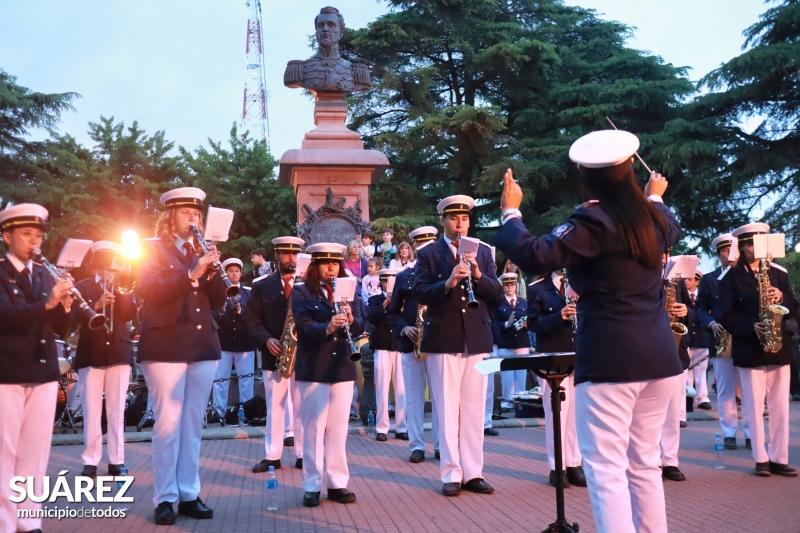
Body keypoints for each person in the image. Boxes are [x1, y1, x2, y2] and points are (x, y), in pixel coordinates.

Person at [494, 129, 683, 533]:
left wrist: (511, 211)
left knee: (606, 468)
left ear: (586, 175)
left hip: (611, 361)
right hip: (661, 359)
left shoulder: (593, 219)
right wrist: (655, 194)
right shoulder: (658, 219)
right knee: (645, 464)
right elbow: (667, 217)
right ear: (631, 169)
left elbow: (534, 253)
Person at [138, 186, 227, 525]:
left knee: (192, 424)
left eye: (197, 214)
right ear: (170, 216)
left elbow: (218, 300)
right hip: (165, 344)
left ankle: (189, 492)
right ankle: (165, 498)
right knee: (168, 424)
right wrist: (193, 272)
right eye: (187, 213)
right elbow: (153, 290)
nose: (194, 218)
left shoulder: (202, 250)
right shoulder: (152, 250)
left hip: (202, 344)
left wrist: (214, 266)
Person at [413, 195, 503, 497]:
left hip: (476, 338)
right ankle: (451, 472)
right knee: (447, 408)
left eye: (464, 218)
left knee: (475, 408)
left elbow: (497, 294)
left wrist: (477, 274)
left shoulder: (484, 252)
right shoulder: (429, 253)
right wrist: (449, 282)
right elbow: (420, 292)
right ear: (443, 221)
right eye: (454, 218)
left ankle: (474, 472)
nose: (460, 223)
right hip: (444, 340)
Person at [0, 203, 73, 533]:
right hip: (8, 372)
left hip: (42, 372)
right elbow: (7, 317)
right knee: (4, 454)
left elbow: (58, 325)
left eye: (38, 235)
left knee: (35, 452)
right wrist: (46, 303)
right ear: (6, 236)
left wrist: (66, 306)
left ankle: (29, 520)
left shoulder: (44, 273)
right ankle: (4, 521)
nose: (34, 241)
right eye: (26, 234)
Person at [717, 222, 799, 477]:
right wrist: (750, 325)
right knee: (753, 406)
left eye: (760, 243)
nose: (756, 248)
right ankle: (761, 459)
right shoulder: (730, 278)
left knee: (780, 407)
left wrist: (781, 298)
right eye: (751, 244)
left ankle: (779, 457)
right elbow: (724, 316)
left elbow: (794, 308)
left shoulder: (779, 273)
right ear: (742, 247)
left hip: (779, 347)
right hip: (750, 348)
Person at [293, 243, 365, 507]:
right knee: (313, 428)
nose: (332, 267)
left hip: (342, 366)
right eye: (325, 263)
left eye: (335, 262)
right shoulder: (301, 292)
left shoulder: (348, 288)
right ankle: (312, 485)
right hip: (314, 367)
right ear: (315, 266)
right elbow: (303, 326)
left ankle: (337, 483)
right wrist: (327, 326)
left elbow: (360, 324)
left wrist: (350, 318)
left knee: (338, 429)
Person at [72, 241, 137, 479]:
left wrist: (120, 290)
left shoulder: (123, 285)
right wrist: (95, 305)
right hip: (91, 352)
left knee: (117, 410)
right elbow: (74, 316)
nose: (110, 267)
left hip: (119, 353)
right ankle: (90, 461)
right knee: (90, 409)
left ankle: (116, 460)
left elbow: (130, 314)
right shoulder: (82, 286)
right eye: (107, 262)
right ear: (96, 264)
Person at [245, 236, 306, 472]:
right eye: (286, 254)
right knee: (275, 407)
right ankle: (273, 455)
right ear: (277, 256)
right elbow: (251, 318)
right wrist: (266, 338)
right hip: (275, 355)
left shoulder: (307, 285)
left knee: (302, 408)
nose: (291, 258)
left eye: (295, 254)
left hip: (302, 356)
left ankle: (302, 454)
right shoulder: (262, 285)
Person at [386, 226, 440, 463]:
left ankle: (441, 444)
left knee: (441, 398)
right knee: (413, 397)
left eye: (429, 244)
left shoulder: (445, 275)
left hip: (440, 343)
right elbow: (392, 311)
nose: (425, 249)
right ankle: (417, 445)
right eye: (421, 245)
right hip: (412, 343)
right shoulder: (403, 276)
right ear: (415, 248)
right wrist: (402, 328)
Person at [527, 271, 586, 489]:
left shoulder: (581, 284)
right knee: (556, 414)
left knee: (576, 415)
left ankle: (574, 464)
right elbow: (533, 324)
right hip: (552, 359)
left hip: (579, 356)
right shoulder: (538, 288)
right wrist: (558, 316)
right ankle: (557, 467)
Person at [697, 233, 751, 450]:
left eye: (734, 250)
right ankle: (729, 432)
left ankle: (750, 432)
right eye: (726, 251)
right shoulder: (710, 279)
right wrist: (710, 323)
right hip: (721, 337)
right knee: (725, 389)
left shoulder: (748, 275)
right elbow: (700, 307)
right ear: (719, 254)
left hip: (745, 337)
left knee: (748, 390)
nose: (731, 255)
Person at [210, 258, 258, 425]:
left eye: (237, 271)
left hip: (245, 342)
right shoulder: (218, 292)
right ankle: (218, 412)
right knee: (220, 379)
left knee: (246, 380)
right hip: (224, 342)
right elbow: (212, 316)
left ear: (241, 273)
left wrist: (240, 311)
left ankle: (247, 412)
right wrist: (221, 312)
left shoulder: (249, 292)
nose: (234, 273)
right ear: (226, 273)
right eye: (230, 271)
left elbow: (253, 316)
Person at [283, 6, 370, 95]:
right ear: (317, 33)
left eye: (331, 25)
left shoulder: (356, 72)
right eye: (320, 25)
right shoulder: (299, 69)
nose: (325, 29)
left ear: (340, 33)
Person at [367, 268, 407, 441]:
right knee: (382, 388)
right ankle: (382, 428)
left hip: (399, 345)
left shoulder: (403, 300)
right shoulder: (375, 299)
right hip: (382, 346)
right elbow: (371, 318)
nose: (387, 284)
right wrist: (385, 304)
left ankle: (401, 427)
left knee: (401, 389)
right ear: (381, 283)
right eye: (385, 281)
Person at [684, 270, 712, 410]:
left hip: (702, 337)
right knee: (687, 370)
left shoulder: (704, 296)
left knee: (701, 369)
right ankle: (688, 397)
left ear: (697, 281)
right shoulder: (683, 297)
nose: (686, 282)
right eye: (685, 279)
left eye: (689, 279)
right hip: (688, 338)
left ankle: (702, 398)